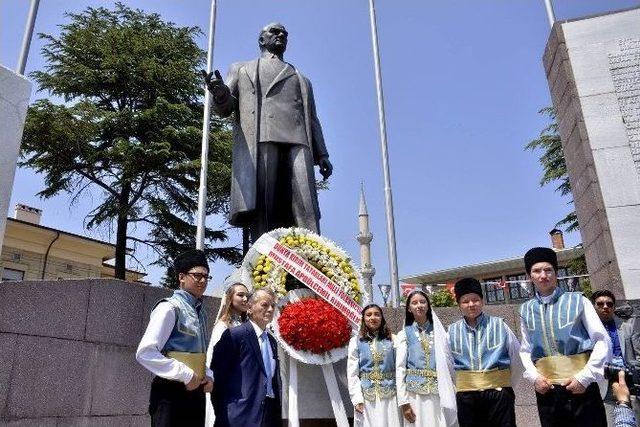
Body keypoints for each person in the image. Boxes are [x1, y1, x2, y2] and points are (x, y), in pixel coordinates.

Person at [203, 23, 333, 242]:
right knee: (264, 202)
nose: (281, 35)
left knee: (306, 201)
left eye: (285, 33)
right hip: (261, 138)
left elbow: (312, 118)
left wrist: (322, 154)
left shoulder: (302, 79)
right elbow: (225, 110)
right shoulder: (242, 69)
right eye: (275, 32)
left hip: (299, 140)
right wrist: (219, 93)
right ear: (262, 40)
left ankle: (315, 253)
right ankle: (265, 254)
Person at [518, 247, 611, 427]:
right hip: (548, 390)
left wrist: (584, 377)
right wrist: (534, 378)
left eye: (548, 270)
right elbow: (525, 349)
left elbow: (601, 340)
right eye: (537, 271)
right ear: (530, 276)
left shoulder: (578, 301)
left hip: (581, 386)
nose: (543, 275)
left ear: (556, 272)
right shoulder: (525, 310)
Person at [136, 249, 214, 426]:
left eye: (206, 276)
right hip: (170, 394)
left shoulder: (201, 314)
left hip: (195, 393)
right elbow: (145, 352)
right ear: (181, 277)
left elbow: (198, 353)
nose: (203, 281)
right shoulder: (169, 308)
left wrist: (208, 375)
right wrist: (186, 375)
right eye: (197, 275)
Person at [448, 278, 523, 427]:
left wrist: (505, 385)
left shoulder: (500, 325)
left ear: (482, 301)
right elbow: (448, 365)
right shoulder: (451, 331)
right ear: (459, 305)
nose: (471, 305)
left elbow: (517, 359)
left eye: (475, 300)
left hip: (499, 394)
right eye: (465, 301)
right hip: (466, 397)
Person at [212, 289, 281, 427]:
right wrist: (227, 411)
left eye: (273, 305)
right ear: (250, 307)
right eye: (265, 305)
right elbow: (218, 377)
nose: (270, 309)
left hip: (268, 414)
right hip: (240, 416)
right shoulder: (235, 335)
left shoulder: (272, 342)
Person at [396, 290, 457, 427]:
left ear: (428, 306)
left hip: (438, 393)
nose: (419, 305)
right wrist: (404, 402)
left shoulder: (441, 333)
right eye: (414, 303)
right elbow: (400, 369)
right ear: (409, 308)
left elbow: (450, 362)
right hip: (414, 396)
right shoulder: (404, 334)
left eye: (423, 302)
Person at [204, 269, 250, 427]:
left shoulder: (248, 326)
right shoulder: (223, 326)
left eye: (247, 296)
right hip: (228, 391)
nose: (245, 298)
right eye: (240, 295)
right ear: (230, 298)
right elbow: (213, 361)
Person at [347, 304, 402, 427]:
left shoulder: (393, 339)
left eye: (377, 314)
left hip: (391, 396)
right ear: (363, 319)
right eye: (369, 314)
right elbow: (352, 374)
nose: (373, 317)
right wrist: (357, 399)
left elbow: (400, 369)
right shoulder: (355, 341)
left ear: (382, 318)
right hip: (366, 397)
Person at [591, 289, 640, 423]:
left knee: (633, 420)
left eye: (609, 304)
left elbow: (637, 353)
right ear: (594, 307)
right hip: (603, 383)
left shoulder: (626, 327)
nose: (605, 306)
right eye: (600, 304)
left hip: (628, 381)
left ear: (613, 307)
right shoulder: (588, 330)